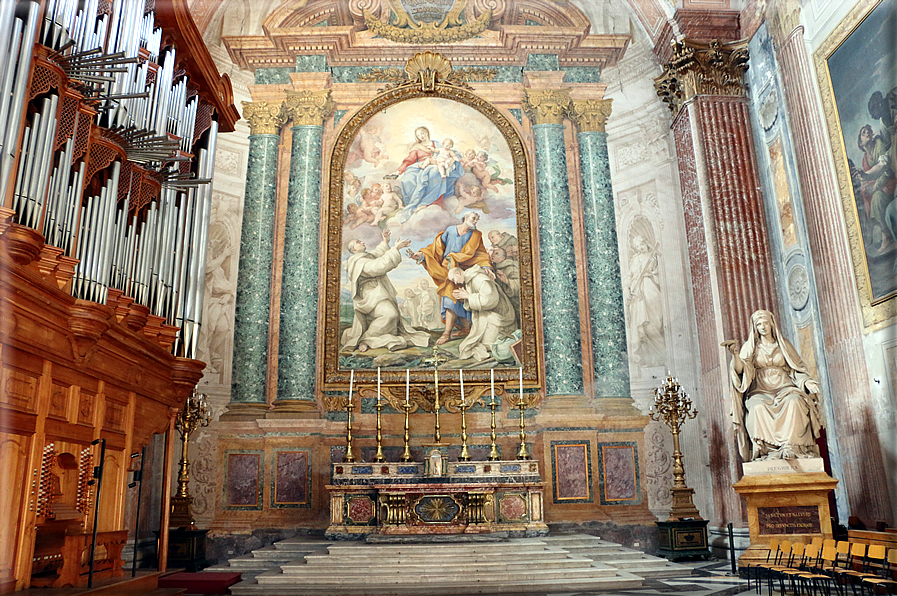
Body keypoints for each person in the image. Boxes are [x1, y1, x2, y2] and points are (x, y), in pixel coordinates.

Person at [723, 310, 823, 461]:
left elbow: (797, 368)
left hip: (785, 388)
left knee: (795, 402)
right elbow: (740, 371)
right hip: (760, 390)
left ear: (771, 324)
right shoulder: (751, 347)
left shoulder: (784, 345)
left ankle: (791, 446)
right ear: (755, 328)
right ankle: (767, 451)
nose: (762, 327)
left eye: (765, 323)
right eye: (758, 324)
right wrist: (736, 355)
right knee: (757, 408)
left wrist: (806, 381)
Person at [408, 212, 493, 345]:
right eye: (473, 218)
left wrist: (486, 266)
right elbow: (436, 248)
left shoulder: (476, 235)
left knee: (461, 299)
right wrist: (421, 255)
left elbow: (481, 254)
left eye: (477, 219)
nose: (476, 221)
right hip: (447, 270)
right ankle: (447, 333)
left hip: (464, 271)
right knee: (450, 297)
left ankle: (465, 329)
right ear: (466, 218)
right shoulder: (450, 231)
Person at [341, 229, 430, 353]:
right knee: (390, 314)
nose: (361, 242)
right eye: (358, 242)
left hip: (377, 293)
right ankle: (367, 339)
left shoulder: (364, 257)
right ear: (354, 249)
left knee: (391, 315)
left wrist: (385, 242)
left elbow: (376, 254)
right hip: (371, 295)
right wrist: (395, 249)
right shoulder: (358, 262)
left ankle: (370, 338)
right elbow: (379, 266)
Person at [393, 126, 464, 221]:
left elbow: (451, 152)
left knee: (434, 173)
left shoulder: (437, 144)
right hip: (420, 165)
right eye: (418, 135)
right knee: (407, 178)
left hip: (436, 163)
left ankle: (429, 203)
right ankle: (413, 203)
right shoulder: (416, 147)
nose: (421, 136)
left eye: (422, 133)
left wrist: (452, 159)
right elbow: (409, 160)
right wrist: (398, 171)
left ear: (427, 132)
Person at [449, 266, 517, 362]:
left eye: (453, 279)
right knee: (476, 344)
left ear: (458, 273)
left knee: (488, 345)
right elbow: (476, 300)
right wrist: (465, 298)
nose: (455, 282)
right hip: (486, 313)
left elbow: (490, 300)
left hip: (498, 314)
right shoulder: (469, 280)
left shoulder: (480, 279)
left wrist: (469, 296)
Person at [853, 124, 896, 254]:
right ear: (861, 143)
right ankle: (884, 232)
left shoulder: (879, 143)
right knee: (865, 194)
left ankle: (886, 237)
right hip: (880, 183)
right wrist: (865, 185)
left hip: (890, 179)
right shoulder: (865, 159)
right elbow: (868, 178)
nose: (868, 133)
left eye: (869, 131)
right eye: (864, 133)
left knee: (876, 198)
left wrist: (874, 185)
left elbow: (886, 169)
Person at [626, 235, 664, 367]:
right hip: (637, 294)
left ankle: (662, 356)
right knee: (642, 326)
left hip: (650, 288)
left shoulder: (654, 256)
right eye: (637, 247)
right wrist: (628, 290)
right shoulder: (635, 259)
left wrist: (652, 273)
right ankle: (649, 359)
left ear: (646, 242)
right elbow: (628, 277)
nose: (640, 248)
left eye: (641, 245)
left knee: (654, 322)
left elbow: (660, 273)